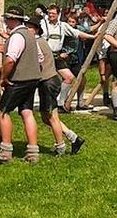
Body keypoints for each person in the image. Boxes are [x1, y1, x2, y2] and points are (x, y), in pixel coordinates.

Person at [0, 6, 44, 164]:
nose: (6, 22)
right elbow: (40, 58)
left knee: (2, 112)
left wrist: (4, 77)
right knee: (26, 112)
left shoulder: (17, 36)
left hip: (18, 80)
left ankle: (6, 151)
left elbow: (10, 60)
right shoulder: (30, 35)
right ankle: (33, 151)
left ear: (14, 19)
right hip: (33, 78)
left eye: (8, 19)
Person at [28, 15, 85, 156]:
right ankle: (73, 138)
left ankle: (61, 147)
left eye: (29, 27)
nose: (26, 29)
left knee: (52, 116)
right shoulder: (37, 41)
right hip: (46, 81)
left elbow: (39, 60)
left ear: (35, 30)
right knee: (45, 117)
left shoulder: (35, 42)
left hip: (48, 81)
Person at [40, 6, 95, 113]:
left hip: (56, 55)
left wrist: (93, 37)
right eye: (49, 13)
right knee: (42, 81)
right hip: (44, 55)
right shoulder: (42, 24)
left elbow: (77, 33)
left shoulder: (63, 26)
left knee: (69, 77)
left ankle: (60, 104)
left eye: (53, 14)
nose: (51, 15)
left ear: (58, 15)